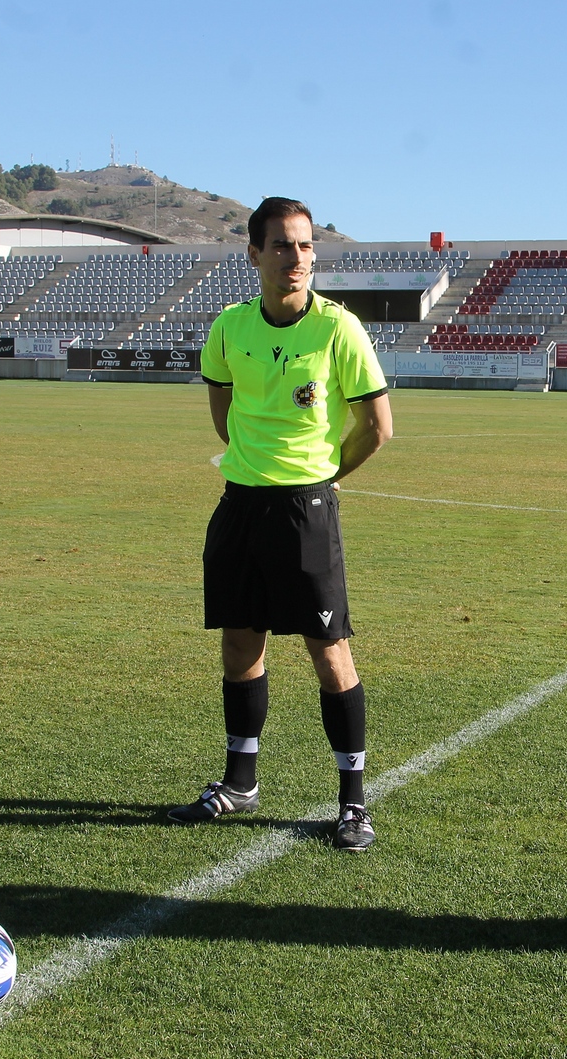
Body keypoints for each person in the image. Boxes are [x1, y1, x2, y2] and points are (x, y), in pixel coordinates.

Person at [170, 197, 394, 851]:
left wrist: (318, 479)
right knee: (240, 646)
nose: (295, 258)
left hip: (306, 509)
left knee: (329, 653)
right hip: (240, 504)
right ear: (254, 254)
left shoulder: (337, 329)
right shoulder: (229, 327)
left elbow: (377, 428)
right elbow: (223, 410)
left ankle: (353, 803)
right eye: (281, 246)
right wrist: (255, 466)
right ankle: (240, 783)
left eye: (304, 246)